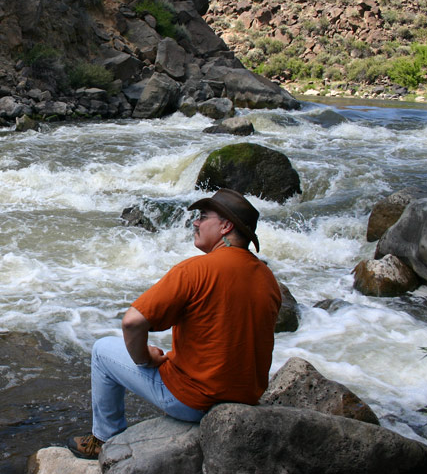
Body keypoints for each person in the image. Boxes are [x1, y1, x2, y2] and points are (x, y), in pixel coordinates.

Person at [68, 188, 282, 460]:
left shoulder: (195, 270)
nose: (195, 222)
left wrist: (145, 358)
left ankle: (103, 439)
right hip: (245, 398)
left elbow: (132, 322)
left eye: (203, 216)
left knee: (101, 350)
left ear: (226, 226)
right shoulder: (268, 279)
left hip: (194, 401)